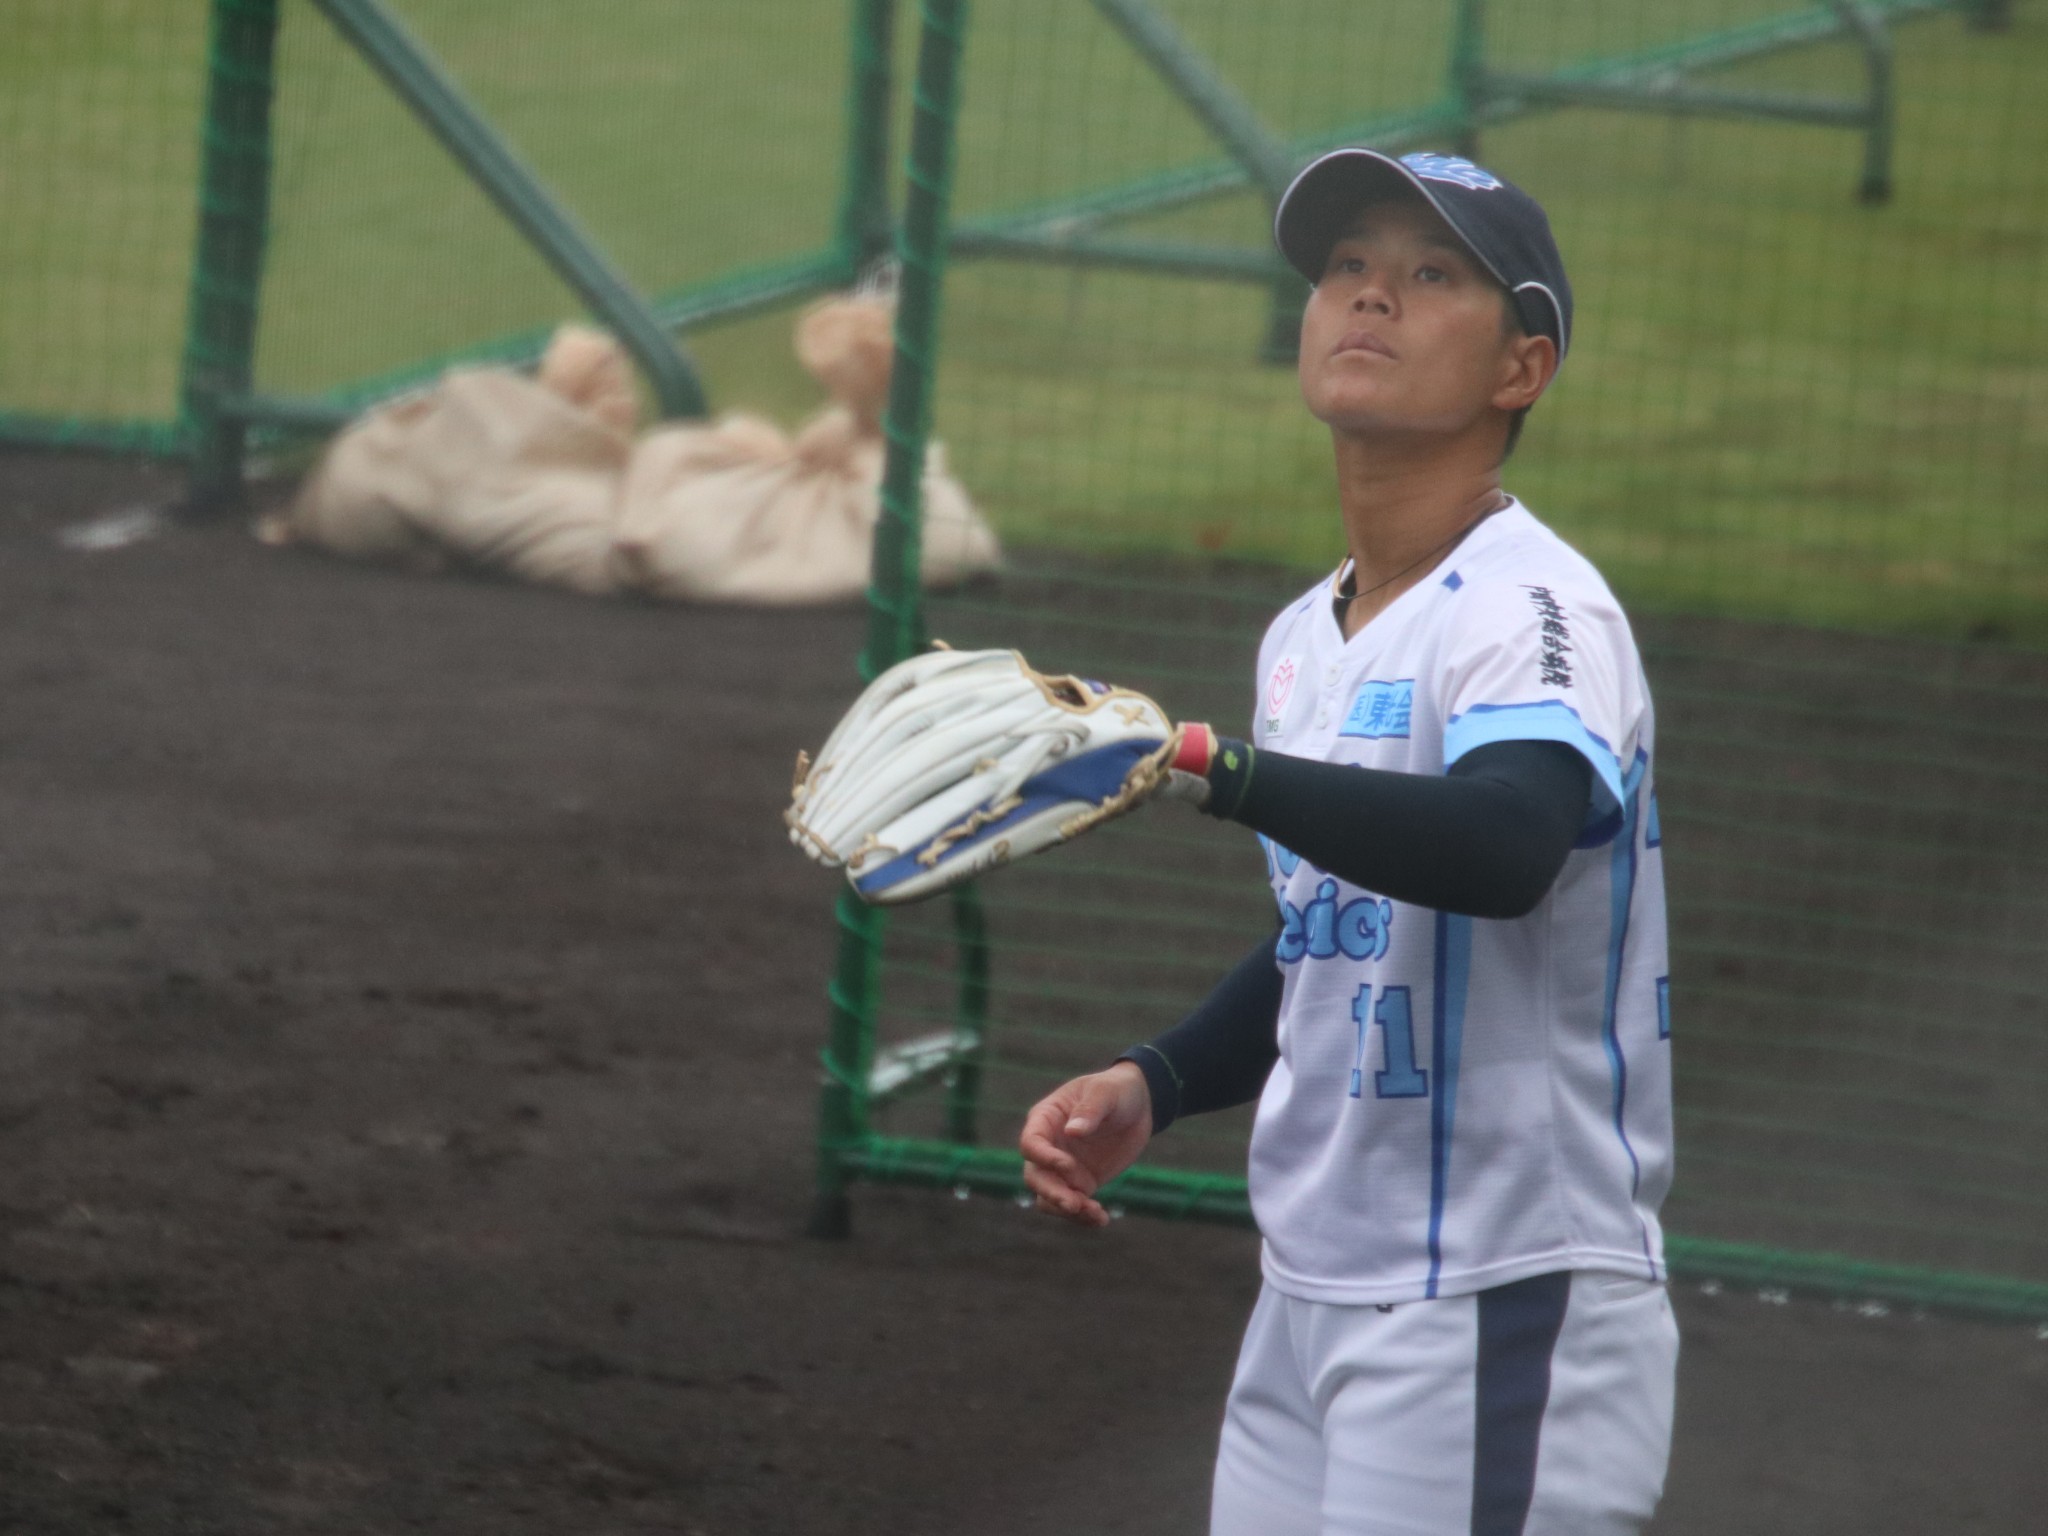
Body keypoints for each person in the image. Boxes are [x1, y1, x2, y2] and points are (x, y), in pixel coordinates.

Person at [1018, 148, 1677, 1536]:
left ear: (1523, 368)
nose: (1372, 296)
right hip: (1313, 1295)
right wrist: (1164, 1075)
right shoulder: (1305, 635)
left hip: (1498, 1297)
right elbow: (1346, 926)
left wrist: (1216, 771)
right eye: (1347, 269)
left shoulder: (1535, 613)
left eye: (1434, 275)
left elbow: (1501, 850)